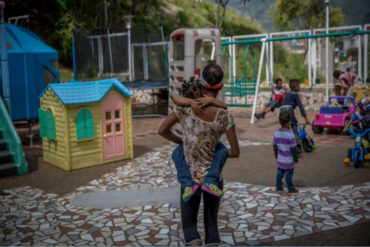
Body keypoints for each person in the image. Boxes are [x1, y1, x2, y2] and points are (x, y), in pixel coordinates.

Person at [158, 64, 239, 246]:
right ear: (220, 87)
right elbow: (235, 152)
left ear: (202, 85)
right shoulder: (224, 115)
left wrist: (184, 142)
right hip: (214, 177)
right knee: (211, 226)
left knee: (189, 226)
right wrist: (218, 150)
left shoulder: (186, 109)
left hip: (190, 177)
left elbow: (162, 130)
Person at [169, 76, 229, 201]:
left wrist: (180, 140)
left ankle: (188, 184)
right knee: (221, 149)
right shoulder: (190, 106)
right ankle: (208, 181)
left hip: (190, 146)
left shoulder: (185, 108)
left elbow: (175, 99)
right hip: (202, 147)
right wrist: (209, 101)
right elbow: (224, 106)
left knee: (177, 153)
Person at [280, 79, 310, 151]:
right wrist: (305, 118)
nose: (300, 87)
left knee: (286, 126)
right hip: (289, 109)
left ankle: (284, 142)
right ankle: (297, 144)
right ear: (296, 87)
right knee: (294, 125)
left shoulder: (288, 93)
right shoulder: (295, 94)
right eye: (299, 85)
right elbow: (300, 106)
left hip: (282, 110)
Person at [273, 111, 299, 193]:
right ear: (289, 122)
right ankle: (290, 188)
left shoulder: (276, 133)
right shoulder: (290, 135)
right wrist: (295, 158)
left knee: (280, 173)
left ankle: (278, 186)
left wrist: (276, 156)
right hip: (289, 160)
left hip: (280, 159)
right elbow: (293, 148)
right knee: (288, 174)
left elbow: (275, 146)